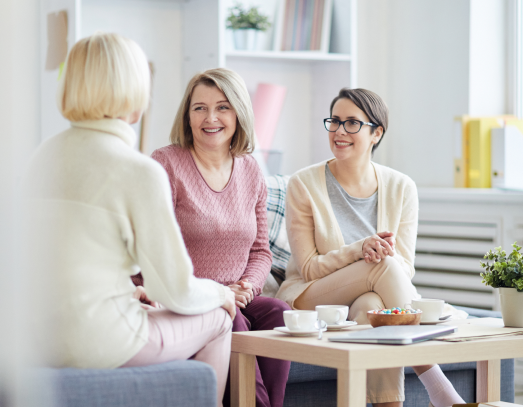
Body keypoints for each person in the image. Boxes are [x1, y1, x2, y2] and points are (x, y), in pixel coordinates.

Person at [21, 33, 236, 406]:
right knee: (218, 317)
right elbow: (177, 291)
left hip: (36, 340)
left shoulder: (39, 158)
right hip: (99, 343)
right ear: (134, 94)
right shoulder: (138, 170)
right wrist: (222, 293)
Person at [275, 88, 465, 407]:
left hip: (369, 295)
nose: (339, 131)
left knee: (373, 306)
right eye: (334, 121)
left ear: (376, 133)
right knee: (381, 267)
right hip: (311, 296)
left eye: (352, 123)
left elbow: (405, 267)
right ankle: (440, 388)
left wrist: (378, 258)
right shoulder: (303, 184)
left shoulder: (402, 187)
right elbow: (308, 267)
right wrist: (359, 251)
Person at [149, 68, 291, 407]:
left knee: (279, 313)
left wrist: (247, 287)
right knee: (232, 315)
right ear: (187, 115)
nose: (210, 118)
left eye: (222, 107)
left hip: (237, 294)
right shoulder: (166, 164)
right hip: (187, 296)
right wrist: (217, 294)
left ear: (239, 112)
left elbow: (260, 251)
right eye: (199, 108)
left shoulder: (250, 169)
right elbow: (153, 248)